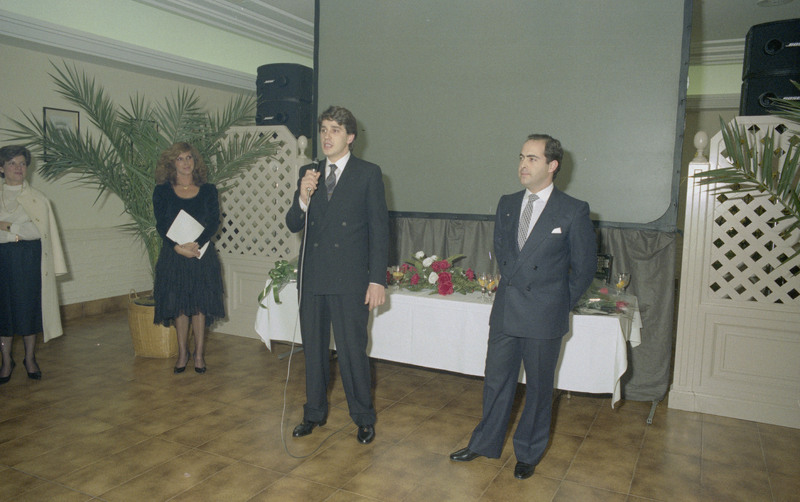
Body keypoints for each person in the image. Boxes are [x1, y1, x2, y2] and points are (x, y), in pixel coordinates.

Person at [449, 134, 596, 479]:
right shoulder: (508, 203)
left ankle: (528, 452)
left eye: (532, 158)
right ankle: (485, 442)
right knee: (495, 382)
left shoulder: (573, 210)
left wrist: (557, 303)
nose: (523, 165)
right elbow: (503, 252)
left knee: (539, 389)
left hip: (545, 315)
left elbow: (584, 268)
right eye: (521, 157)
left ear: (552, 165)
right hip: (506, 309)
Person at [286, 105, 389, 444]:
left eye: (335, 129)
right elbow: (292, 223)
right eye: (324, 129)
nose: (327, 136)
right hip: (313, 278)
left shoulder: (368, 174)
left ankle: (363, 417)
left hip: (350, 280)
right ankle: (313, 413)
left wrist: (377, 280)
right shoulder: (309, 172)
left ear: (351, 137)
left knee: (352, 352)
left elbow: (379, 231)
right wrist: (303, 197)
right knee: (314, 351)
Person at [152, 142, 225, 374]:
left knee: (200, 305)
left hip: (201, 254)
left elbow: (213, 222)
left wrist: (197, 244)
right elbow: (161, 224)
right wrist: (177, 247)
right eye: (180, 158)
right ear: (172, 163)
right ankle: (183, 353)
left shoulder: (209, 190)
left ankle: (199, 355)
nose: (186, 162)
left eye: (189, 157)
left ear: (195, 161)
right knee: (180, 306)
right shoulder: (162, 191)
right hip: (174, 256)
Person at [0, 145, 67, 384]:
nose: (18, 168)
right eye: (12, 163)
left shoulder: (38, 198)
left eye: (22, 163)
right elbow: (26, 230)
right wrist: (20, 231)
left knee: (28, 309)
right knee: (3, 312)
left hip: (28, 260)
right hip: (2, 260)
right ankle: (6, 361)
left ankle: (30, 359)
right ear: (1, 168)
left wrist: (8, 226)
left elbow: (38, 232)